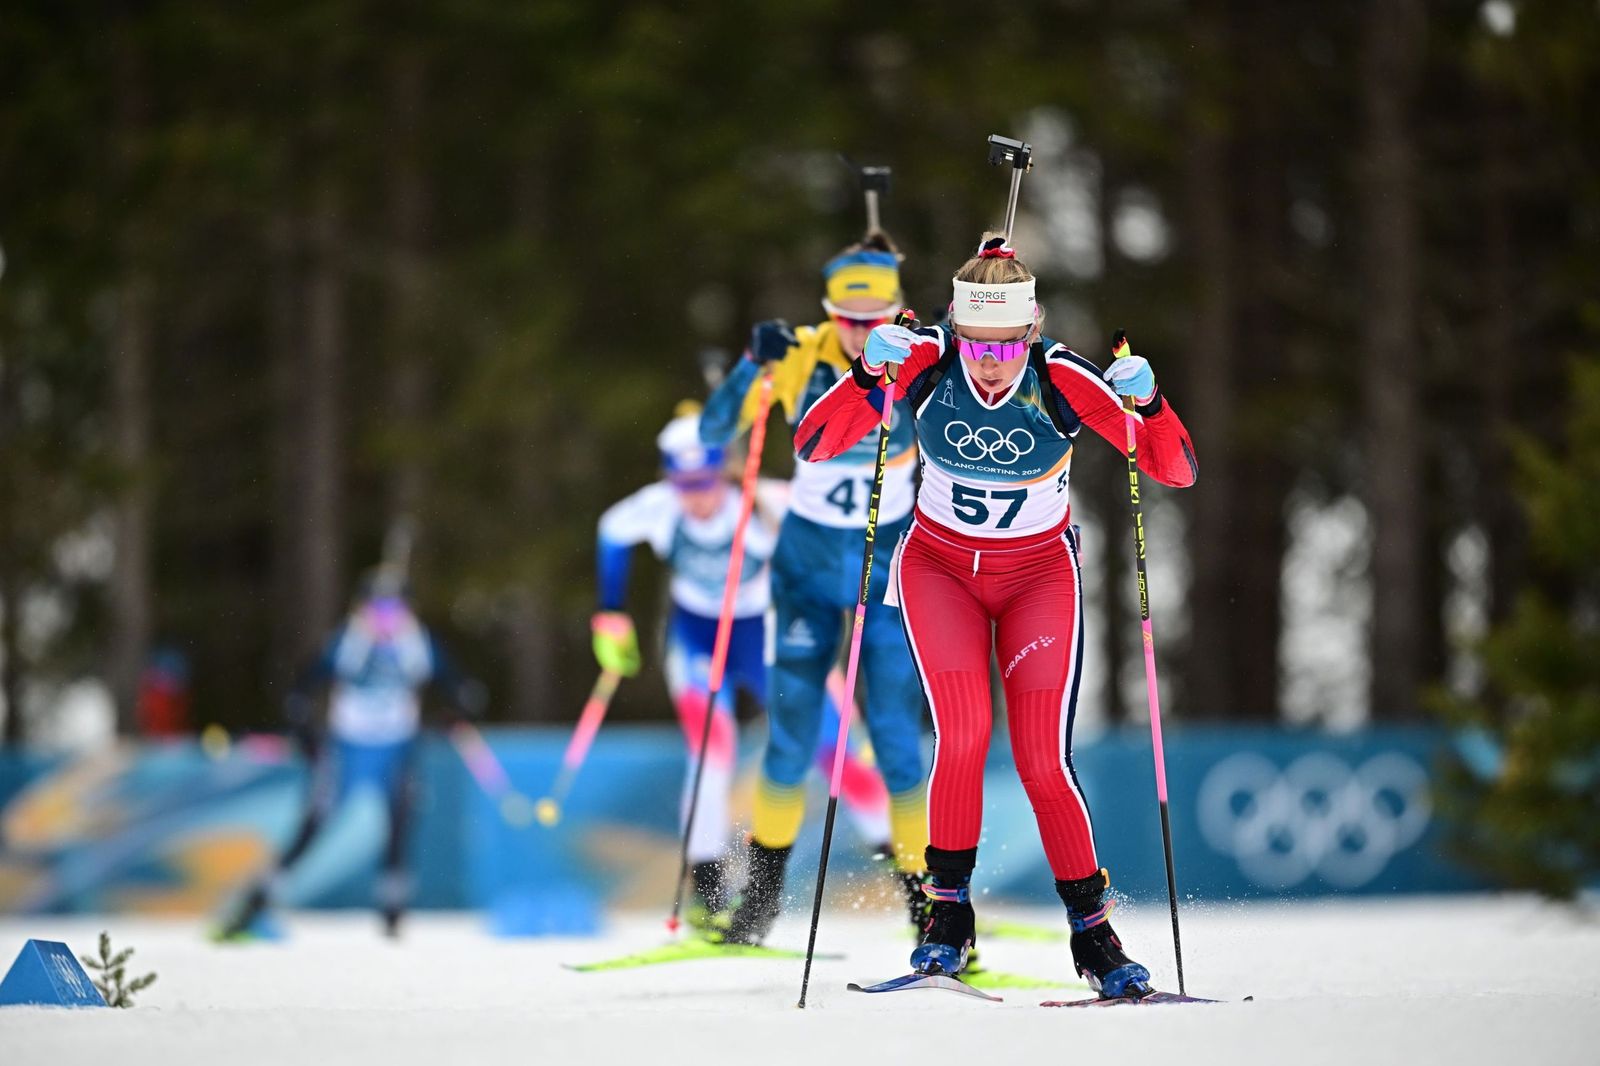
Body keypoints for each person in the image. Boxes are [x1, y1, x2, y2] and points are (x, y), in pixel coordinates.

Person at [794, 233, 1198, 998]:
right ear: (953, 324)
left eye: (1006, 348)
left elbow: (1172, 466)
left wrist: (1149, 400)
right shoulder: (923, 360)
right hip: (938, 569)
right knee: (964, 734)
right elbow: (814, 444)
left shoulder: (1062, 378)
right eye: (974, 344)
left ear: (1033, 328)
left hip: (1037, 578)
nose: (987, 364)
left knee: (1043, 759)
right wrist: (865, 370)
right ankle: (946, 925)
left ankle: (1095, 937)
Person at [699, 233, 929, 944]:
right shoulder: (803, 353)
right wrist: (748, 366)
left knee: (896, 739)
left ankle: (930, 904)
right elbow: (714, 434)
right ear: (830, 313)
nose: (861, 334)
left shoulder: (920, 353)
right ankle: (762, 900)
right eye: (847, 320)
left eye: (875, 319)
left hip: (887, 565)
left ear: (897, 308)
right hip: (804, 570)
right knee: (789, 736)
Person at [217, 569, 482, 939]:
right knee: (314, 826)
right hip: (348, 749)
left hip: (396, 748)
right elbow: (305, 683)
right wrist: (303, 724)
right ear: (362, 611)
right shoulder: (348, 643)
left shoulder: (418, 644)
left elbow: (456, 681)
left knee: (400, 822)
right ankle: (258, 899)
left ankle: (392, 912)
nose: (386, 621)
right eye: (378, 611)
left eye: (395, 611)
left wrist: (461, 702)